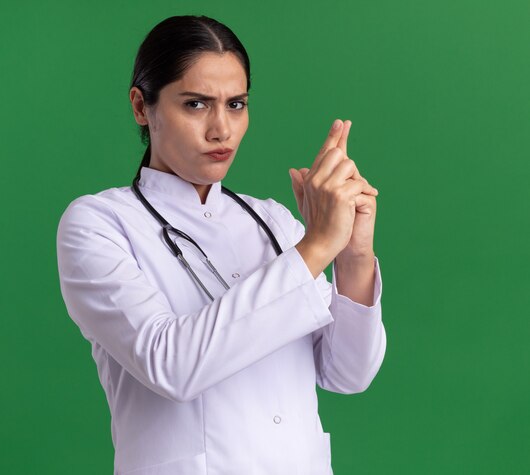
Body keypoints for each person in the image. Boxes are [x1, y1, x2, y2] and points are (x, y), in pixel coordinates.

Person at [56, 14, 385, 475]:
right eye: (195, 104)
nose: (221, 130)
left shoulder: (272, 222)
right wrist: (316, 247)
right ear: (140, 106)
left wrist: (352, 253)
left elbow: (348, 373)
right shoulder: (100, 224)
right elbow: (171, 365)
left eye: (236, 104)